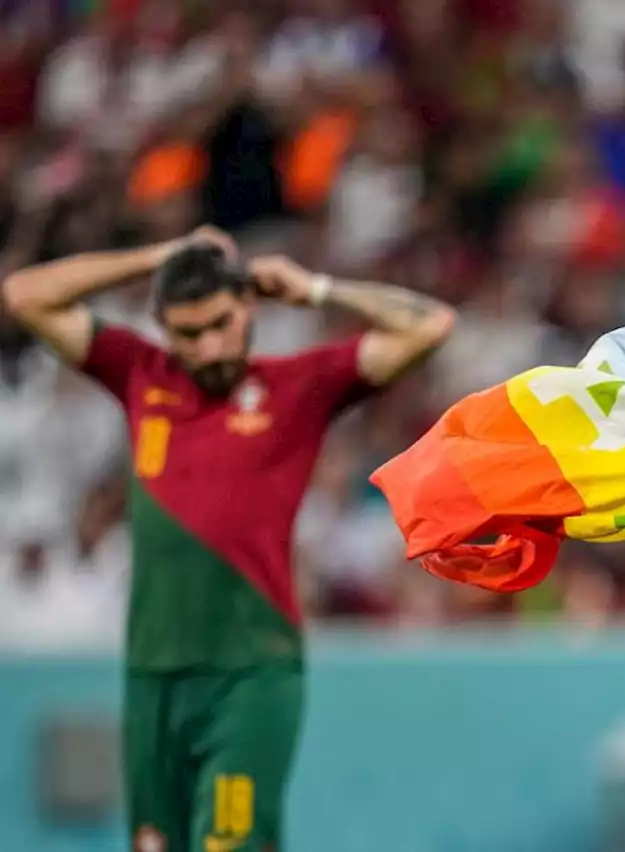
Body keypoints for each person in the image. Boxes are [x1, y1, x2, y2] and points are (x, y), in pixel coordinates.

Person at [1, 226, 455, 852]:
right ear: (163, 326)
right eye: (189, 333)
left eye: (222, 324)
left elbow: (429, 325)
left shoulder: (297, 386)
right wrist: (159, 254)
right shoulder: (139, 373)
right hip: (151, 675)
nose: (210, 346)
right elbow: (26, 295)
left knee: (229, 845)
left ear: (249, 309)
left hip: (250, 672)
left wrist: (318, 288)